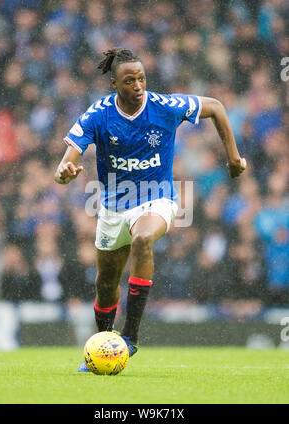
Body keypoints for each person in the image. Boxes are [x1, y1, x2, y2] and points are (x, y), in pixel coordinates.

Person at [54, 48, 246, 372]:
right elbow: (66, 161)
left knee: (143, 239)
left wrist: (233, 157)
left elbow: (216, 107)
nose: (138, 86)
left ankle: (130, 337)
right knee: (105, 283)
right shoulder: (98, 114)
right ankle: (105, 344)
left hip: (158, 198)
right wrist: (64, 173)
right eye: (129, 81)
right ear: (114, 84)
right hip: (114, 206)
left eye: (141, 78)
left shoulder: (164, 106)